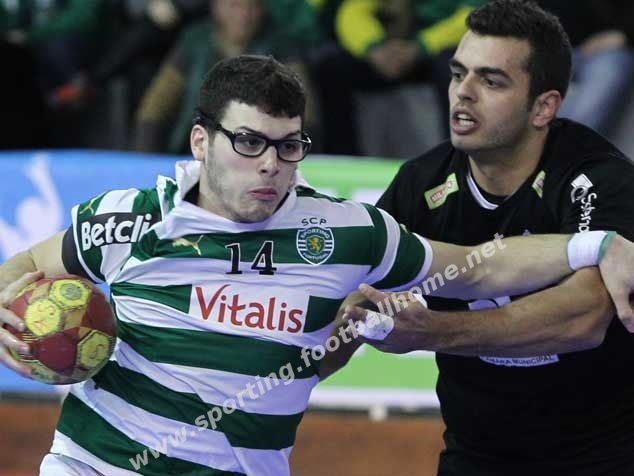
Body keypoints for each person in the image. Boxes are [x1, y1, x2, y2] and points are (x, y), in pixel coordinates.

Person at [0, 55, 632, 476]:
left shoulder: (344, 234)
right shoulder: (133, 219)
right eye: (249, 142)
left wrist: (596, 245)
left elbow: (478, 268)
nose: (271, 165)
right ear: (201, 141)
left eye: (289, 146)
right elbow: (26, 261)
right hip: (93, 463)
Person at [338, 1, 634, 474]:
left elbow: (584, 317)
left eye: (491, 81)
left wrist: (433, 332)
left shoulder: (599, 177)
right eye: (459, 74)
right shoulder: (421, 183)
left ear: (543, 107)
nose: (464, 92)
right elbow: (351, 302)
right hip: (476, 455)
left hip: (603, 456)